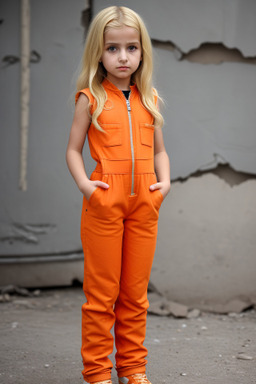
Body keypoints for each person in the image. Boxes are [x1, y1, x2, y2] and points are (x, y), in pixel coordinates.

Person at [66, 6, 170, 384]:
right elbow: (73, 150)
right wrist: (85, 185)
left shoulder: (150, 98)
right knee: (101, 295)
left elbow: (160, 150)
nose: (123, 57)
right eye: (112, 48)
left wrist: (165, 182)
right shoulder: (90, 98)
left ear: (143, 51)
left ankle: (133, 368)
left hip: (145, 203)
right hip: (104, 201)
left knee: (135, 295)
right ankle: (97, 372)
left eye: (131, 48)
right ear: (98, 52)